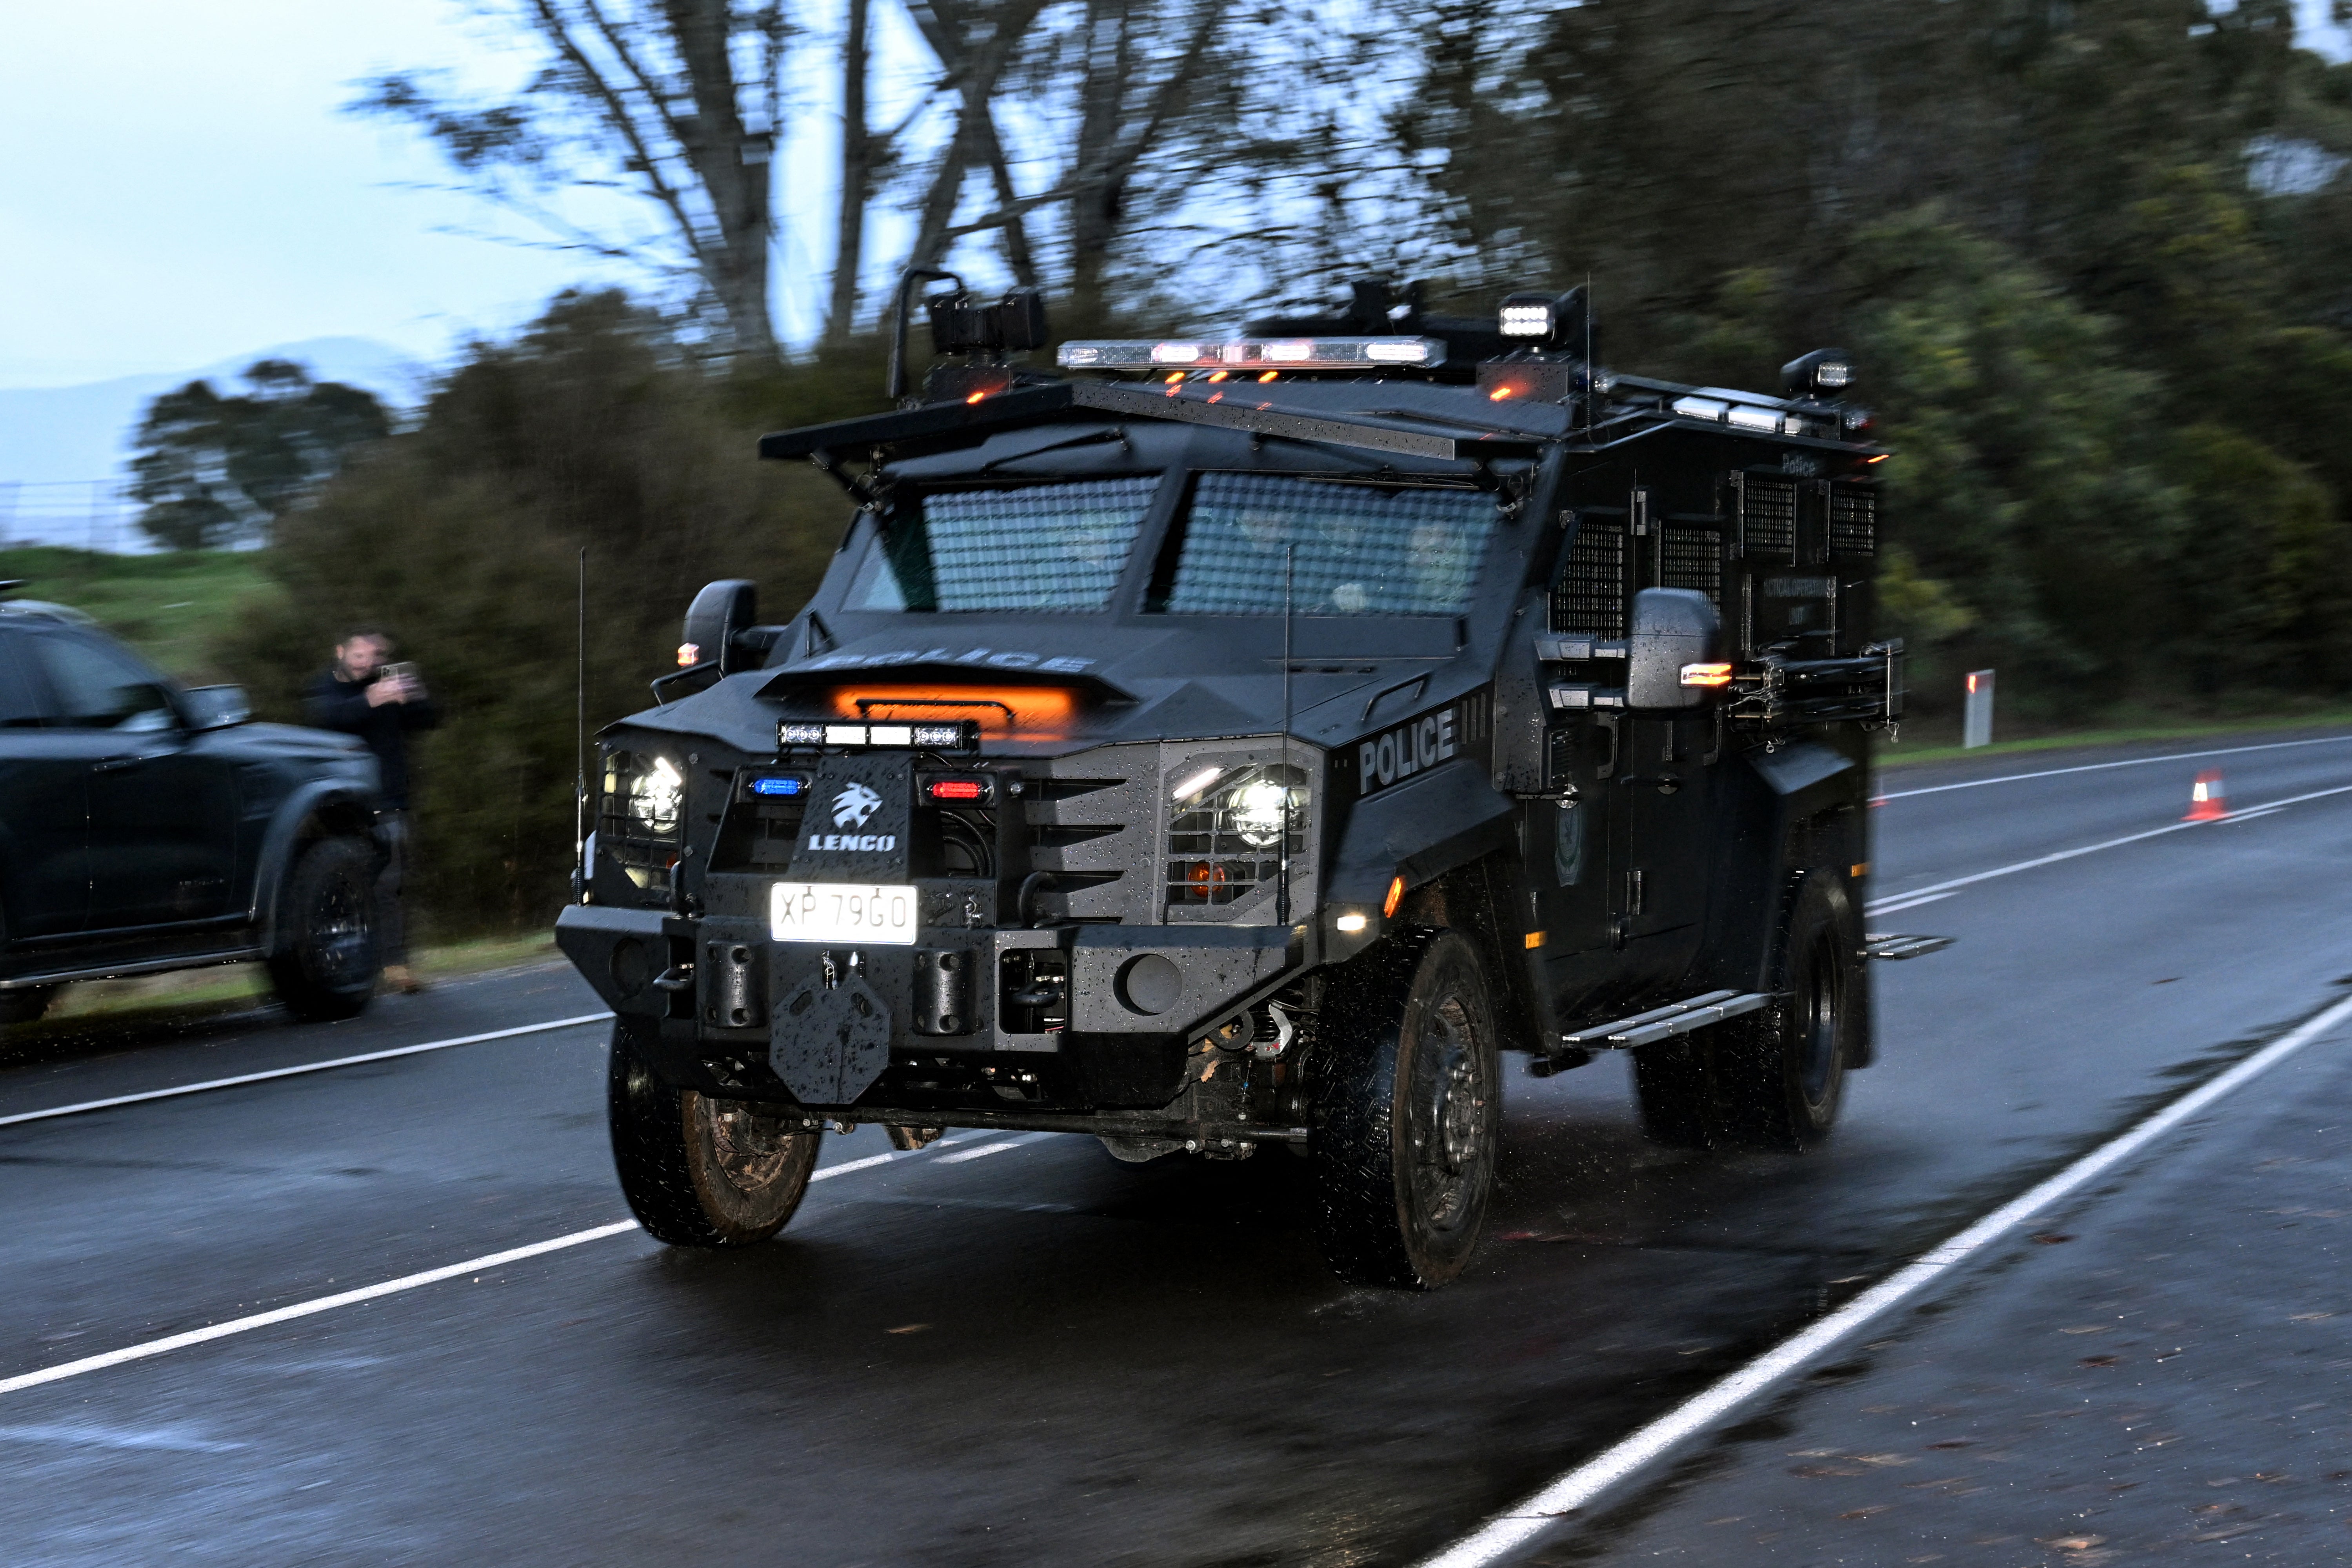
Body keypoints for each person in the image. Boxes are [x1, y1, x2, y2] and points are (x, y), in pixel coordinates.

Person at [304, 629, 439, 994]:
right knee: (342, 885)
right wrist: (371, 700)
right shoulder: (325, 688)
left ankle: (396, 966)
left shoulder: (388, 683)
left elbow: (429, 719)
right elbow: (325, 720)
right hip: (339, 807)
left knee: (391, 885)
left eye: (374, 657)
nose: (367, 664)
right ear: (340, 652)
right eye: (359, 656)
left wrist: (414, 694)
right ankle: (348, 966)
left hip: (389, 800)